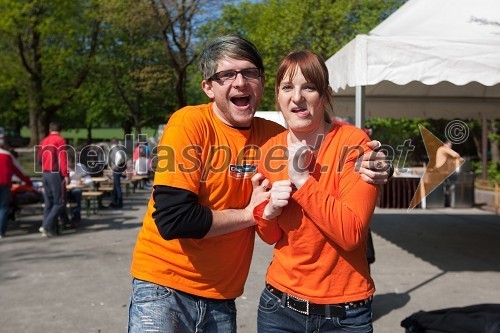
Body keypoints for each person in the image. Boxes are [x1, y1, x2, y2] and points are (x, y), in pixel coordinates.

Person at [127, 35, 391, 333]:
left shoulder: (273, 137)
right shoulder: (189, 123)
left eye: (249, 72)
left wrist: (381, 165)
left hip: (224, 294)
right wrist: (257, 212)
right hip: (165, 287)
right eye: (227, 75)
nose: (240, 82)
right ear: (208, 88)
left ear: (262, 85)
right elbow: (173, 219)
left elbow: (334, 150)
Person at [253, 51, 379, 332]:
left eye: (308, 87)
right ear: (278, 96)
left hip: (345, 315)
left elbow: (351, 235)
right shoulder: (268, 151)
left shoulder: (353, 142)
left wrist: (302, 180)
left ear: (324, 95)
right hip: (278, 308)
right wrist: (269, 211)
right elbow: (270, 235)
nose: (296, 97)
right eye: (287, 87)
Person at [38, 121, 69, 238]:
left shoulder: (43, 141)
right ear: (60, 130)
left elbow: (39, 159)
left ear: (50, 129)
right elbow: (62, 158)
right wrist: (65, 174)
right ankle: (46, 225)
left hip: (45, 173)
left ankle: (47, 227)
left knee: (49, 202)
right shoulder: (60, 140)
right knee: (59, 202)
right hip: (55, 173)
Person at [0, 142, 32, 238]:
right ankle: (1, 231)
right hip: (4, 183)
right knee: (3, 207)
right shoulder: (7, 155)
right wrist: (28, 183)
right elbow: (19, 170)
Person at [60, 156, 92, 227]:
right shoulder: (63, 168)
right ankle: (64, 219)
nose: (71, 167)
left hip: (76, 188)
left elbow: (88, 179)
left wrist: (83, 183)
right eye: (69, 165)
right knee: (60, 201)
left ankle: (76, 219)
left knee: (77, 193)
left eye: (72, 165)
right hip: (66, 189)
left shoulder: (81, 168)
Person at [108, 138, 126, 208]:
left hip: (117, 170)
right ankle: (116, 202)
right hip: (119, 169)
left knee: (117, 187)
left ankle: (119, 203)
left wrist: (115, 166)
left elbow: (120, 157)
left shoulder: (114, 149)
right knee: (116, 186)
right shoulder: (118, 148)